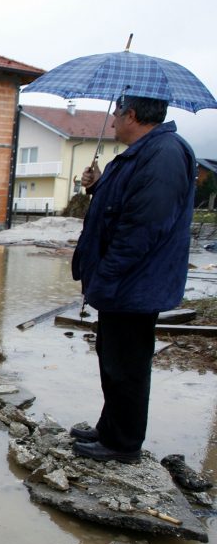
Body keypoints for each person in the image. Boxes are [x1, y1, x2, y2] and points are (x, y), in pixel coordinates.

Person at [70, 95, 196, 463]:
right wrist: (98, 185)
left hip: (134, 284)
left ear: (133, 115)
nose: (112, 122)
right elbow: (122, 204)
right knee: (113, 360)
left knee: (127, 367)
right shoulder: (144, 153)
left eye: (116, 115)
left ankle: (122, 445)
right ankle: (109, 430)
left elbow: (143, 226)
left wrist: (106, 276)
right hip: (124, 284)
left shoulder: (164, 154)